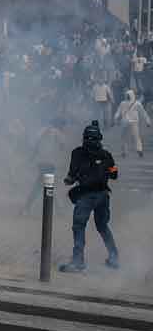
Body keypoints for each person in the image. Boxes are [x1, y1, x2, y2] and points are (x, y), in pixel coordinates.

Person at [59, 121, 120, 272]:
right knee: (102, 226)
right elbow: (114, 174)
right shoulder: (106, 155)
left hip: (86, 196)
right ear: (99, 139)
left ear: (84, 138)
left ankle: (78, 261)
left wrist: (68, 181)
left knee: (79, 226)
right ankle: (114, 258)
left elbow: (71, 175)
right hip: (103, 196)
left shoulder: (77, 153)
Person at [114, 89, 151, 158]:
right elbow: (143, 113)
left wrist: (115, 119)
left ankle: (124, 151)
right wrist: (147, 121)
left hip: (125, 122)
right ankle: (139, 150)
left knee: (124, 137)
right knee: (136, 137)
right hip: (134, 122)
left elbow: (118, 112)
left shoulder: (123, 103)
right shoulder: (137, 103)